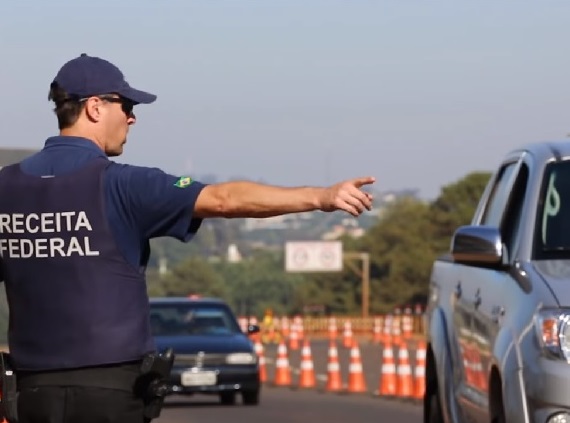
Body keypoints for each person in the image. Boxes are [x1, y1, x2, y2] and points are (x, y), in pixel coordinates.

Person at [0, 53, 375, 423]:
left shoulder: (6, 187)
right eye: (126, 104)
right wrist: (320, 197)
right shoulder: (123, 184)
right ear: (95, 107)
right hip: (110, 388)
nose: (132, 117)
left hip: (33, 392)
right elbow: (224, 200)